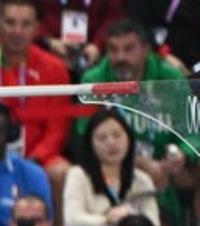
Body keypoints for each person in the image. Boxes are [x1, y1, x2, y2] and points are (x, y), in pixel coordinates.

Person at [0, 0, 71, 193]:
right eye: (10, 23)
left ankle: (60, 225)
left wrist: (32, 161)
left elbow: (57, 130)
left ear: (37, 28)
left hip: (40, 157)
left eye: (26, 24)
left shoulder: (55, 69)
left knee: (61, 171)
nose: (17, 31)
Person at [79, 19, 192, 204]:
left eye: (129, 49)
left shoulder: (170, 77)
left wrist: (183, 154)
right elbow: (86, 135)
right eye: (113, 50)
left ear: (146, 50)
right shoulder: (93, 80)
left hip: (168, 161)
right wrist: (137, 162)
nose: (120, 57)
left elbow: (193, 128)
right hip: (115, 161)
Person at [64, 109, 160, 226]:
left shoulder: (142, 179)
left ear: (129, 138)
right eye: (102, 138)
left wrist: (128, 223)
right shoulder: (78, 175)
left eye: (117, 135)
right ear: (91, 143)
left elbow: (154, 225)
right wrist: (107, 221)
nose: (111, 142)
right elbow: (72, 222)